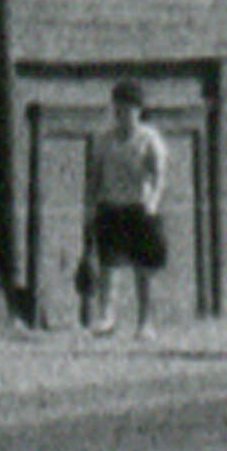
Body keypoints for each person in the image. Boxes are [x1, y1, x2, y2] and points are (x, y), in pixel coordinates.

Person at [78, 84, 171, 331]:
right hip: (110, 205)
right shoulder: (103, 140)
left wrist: (152, 202)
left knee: (143, 269)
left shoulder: (149, 139)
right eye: (119, 108)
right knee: (109, 263)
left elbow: (159, 176)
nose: (124, 114)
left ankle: (145, 321)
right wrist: (89, 208)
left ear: (139, 110)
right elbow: (94, 176)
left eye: (130, 108)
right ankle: (106, 316)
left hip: (139, 208)